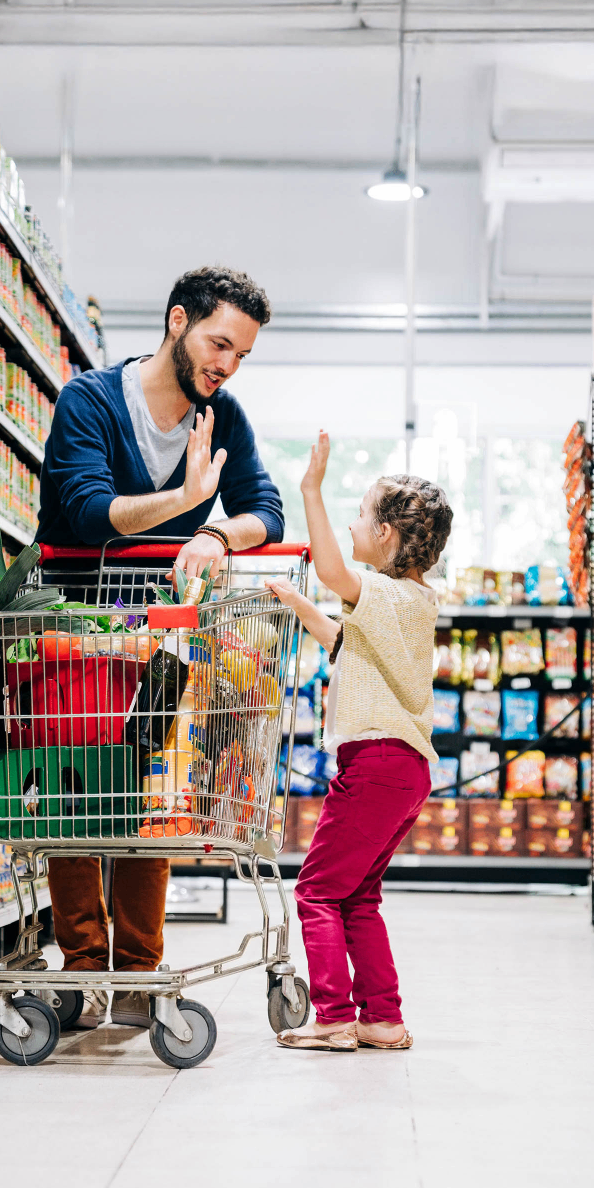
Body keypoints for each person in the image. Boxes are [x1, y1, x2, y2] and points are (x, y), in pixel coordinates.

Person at [35, 265, 284, 1029]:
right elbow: (82, 514)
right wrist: (180, 500)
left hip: (166, 635)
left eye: (240, 353)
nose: (226, 365)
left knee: (149, 792)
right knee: (76, 788)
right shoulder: (87, 401)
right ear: (178, 321)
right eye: (218, 343)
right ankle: (83, 967)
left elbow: (264, 508)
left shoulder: (225, 415)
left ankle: (137, 970)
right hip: (78, 630)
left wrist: (214, 529)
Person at [264, 432, 453, 1052]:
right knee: (359, 895)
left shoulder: (388, 594)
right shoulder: (408, 602)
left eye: (362, 514)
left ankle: (335, 1017)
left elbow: (331, 571)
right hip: (402, 767)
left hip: (375, 763)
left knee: (316, 890)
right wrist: (297, 604)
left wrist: (311, 489)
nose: (352, 523)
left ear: (389, 535)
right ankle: (381, 1017)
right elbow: (347, 645)